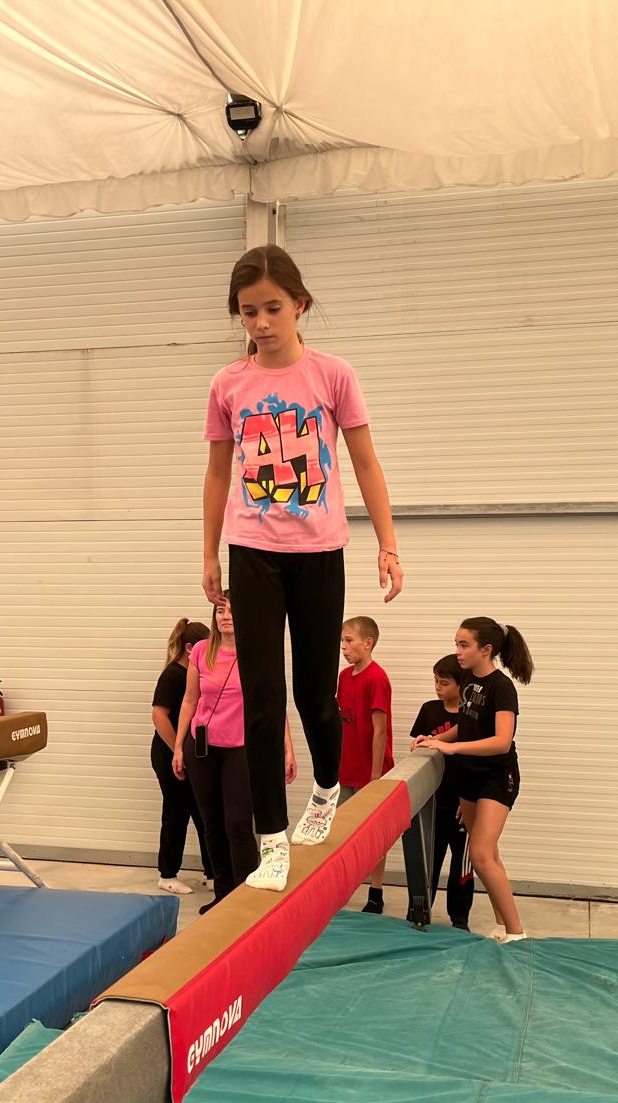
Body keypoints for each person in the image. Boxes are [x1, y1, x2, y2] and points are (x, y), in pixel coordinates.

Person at [201, 245, 403, 893]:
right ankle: (271, 841)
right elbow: (217, 473)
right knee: (262, 700)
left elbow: (365, 462)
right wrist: (208, 553)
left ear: (300, 305)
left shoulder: (332, 375)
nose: (261, 323)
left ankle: (324, 788)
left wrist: (388, 544)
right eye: (248, 312)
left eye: (273, 308)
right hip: (251, 550)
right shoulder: (229, 384)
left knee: (315, 695)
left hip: (319, 552)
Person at [172, 593, 296, 911]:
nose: (225, 616)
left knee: (238, 824)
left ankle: (245, 899)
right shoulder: (202, 651)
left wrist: (287, 748)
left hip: (241, 748)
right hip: (203, 747)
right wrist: (178, 746)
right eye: (219, 610)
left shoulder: (258, 651)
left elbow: (274, 704)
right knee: (211, 824)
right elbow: (189, 700)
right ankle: (223, 894)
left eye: (232, 610)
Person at [413, 618, 533, 943]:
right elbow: (465, 725)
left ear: (486, 649)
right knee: (488, 854)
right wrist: (435, 739)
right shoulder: (467, 679)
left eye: (464, 645)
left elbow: (501, 741)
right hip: (469, 774)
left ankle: (517, 933)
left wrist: (452, 748)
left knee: (479, 854)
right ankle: (501, 924)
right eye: (456, 643)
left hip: (497, 776)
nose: (458, 651)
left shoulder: (501, 687)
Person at [151, 618, 215, 894]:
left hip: (191, 753)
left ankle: (213, 872)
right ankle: (167, 874)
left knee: (203, 812)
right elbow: (159, 716)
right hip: (168, 753)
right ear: (190, 648)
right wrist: (176, 749)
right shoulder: (173, 675)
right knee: (176, 812)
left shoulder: (196, 675)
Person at [411, 655, 473, 930]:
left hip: (463, 804)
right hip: (435, 801)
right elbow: (419, 754)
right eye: (435, 681)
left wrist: (469, 799)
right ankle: (420, 913)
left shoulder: (470, 717)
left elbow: (476, 760)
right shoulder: (429, 710)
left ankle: (459, 919)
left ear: (461, 685)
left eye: (444, 683)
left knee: (462, 866)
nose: (438, 687)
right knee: (429, 862)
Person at [336, 616, 393, 914]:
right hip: (345, 767)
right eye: (342, 641)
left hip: (370, 771)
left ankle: (376, 890)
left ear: (367, 643)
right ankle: (342, 886)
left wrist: (375, 776)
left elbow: (380, 730)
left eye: (349, 641)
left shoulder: (377, 679)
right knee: (340, 830)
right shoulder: (345, 677)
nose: (343, 647)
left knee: (373, 835)